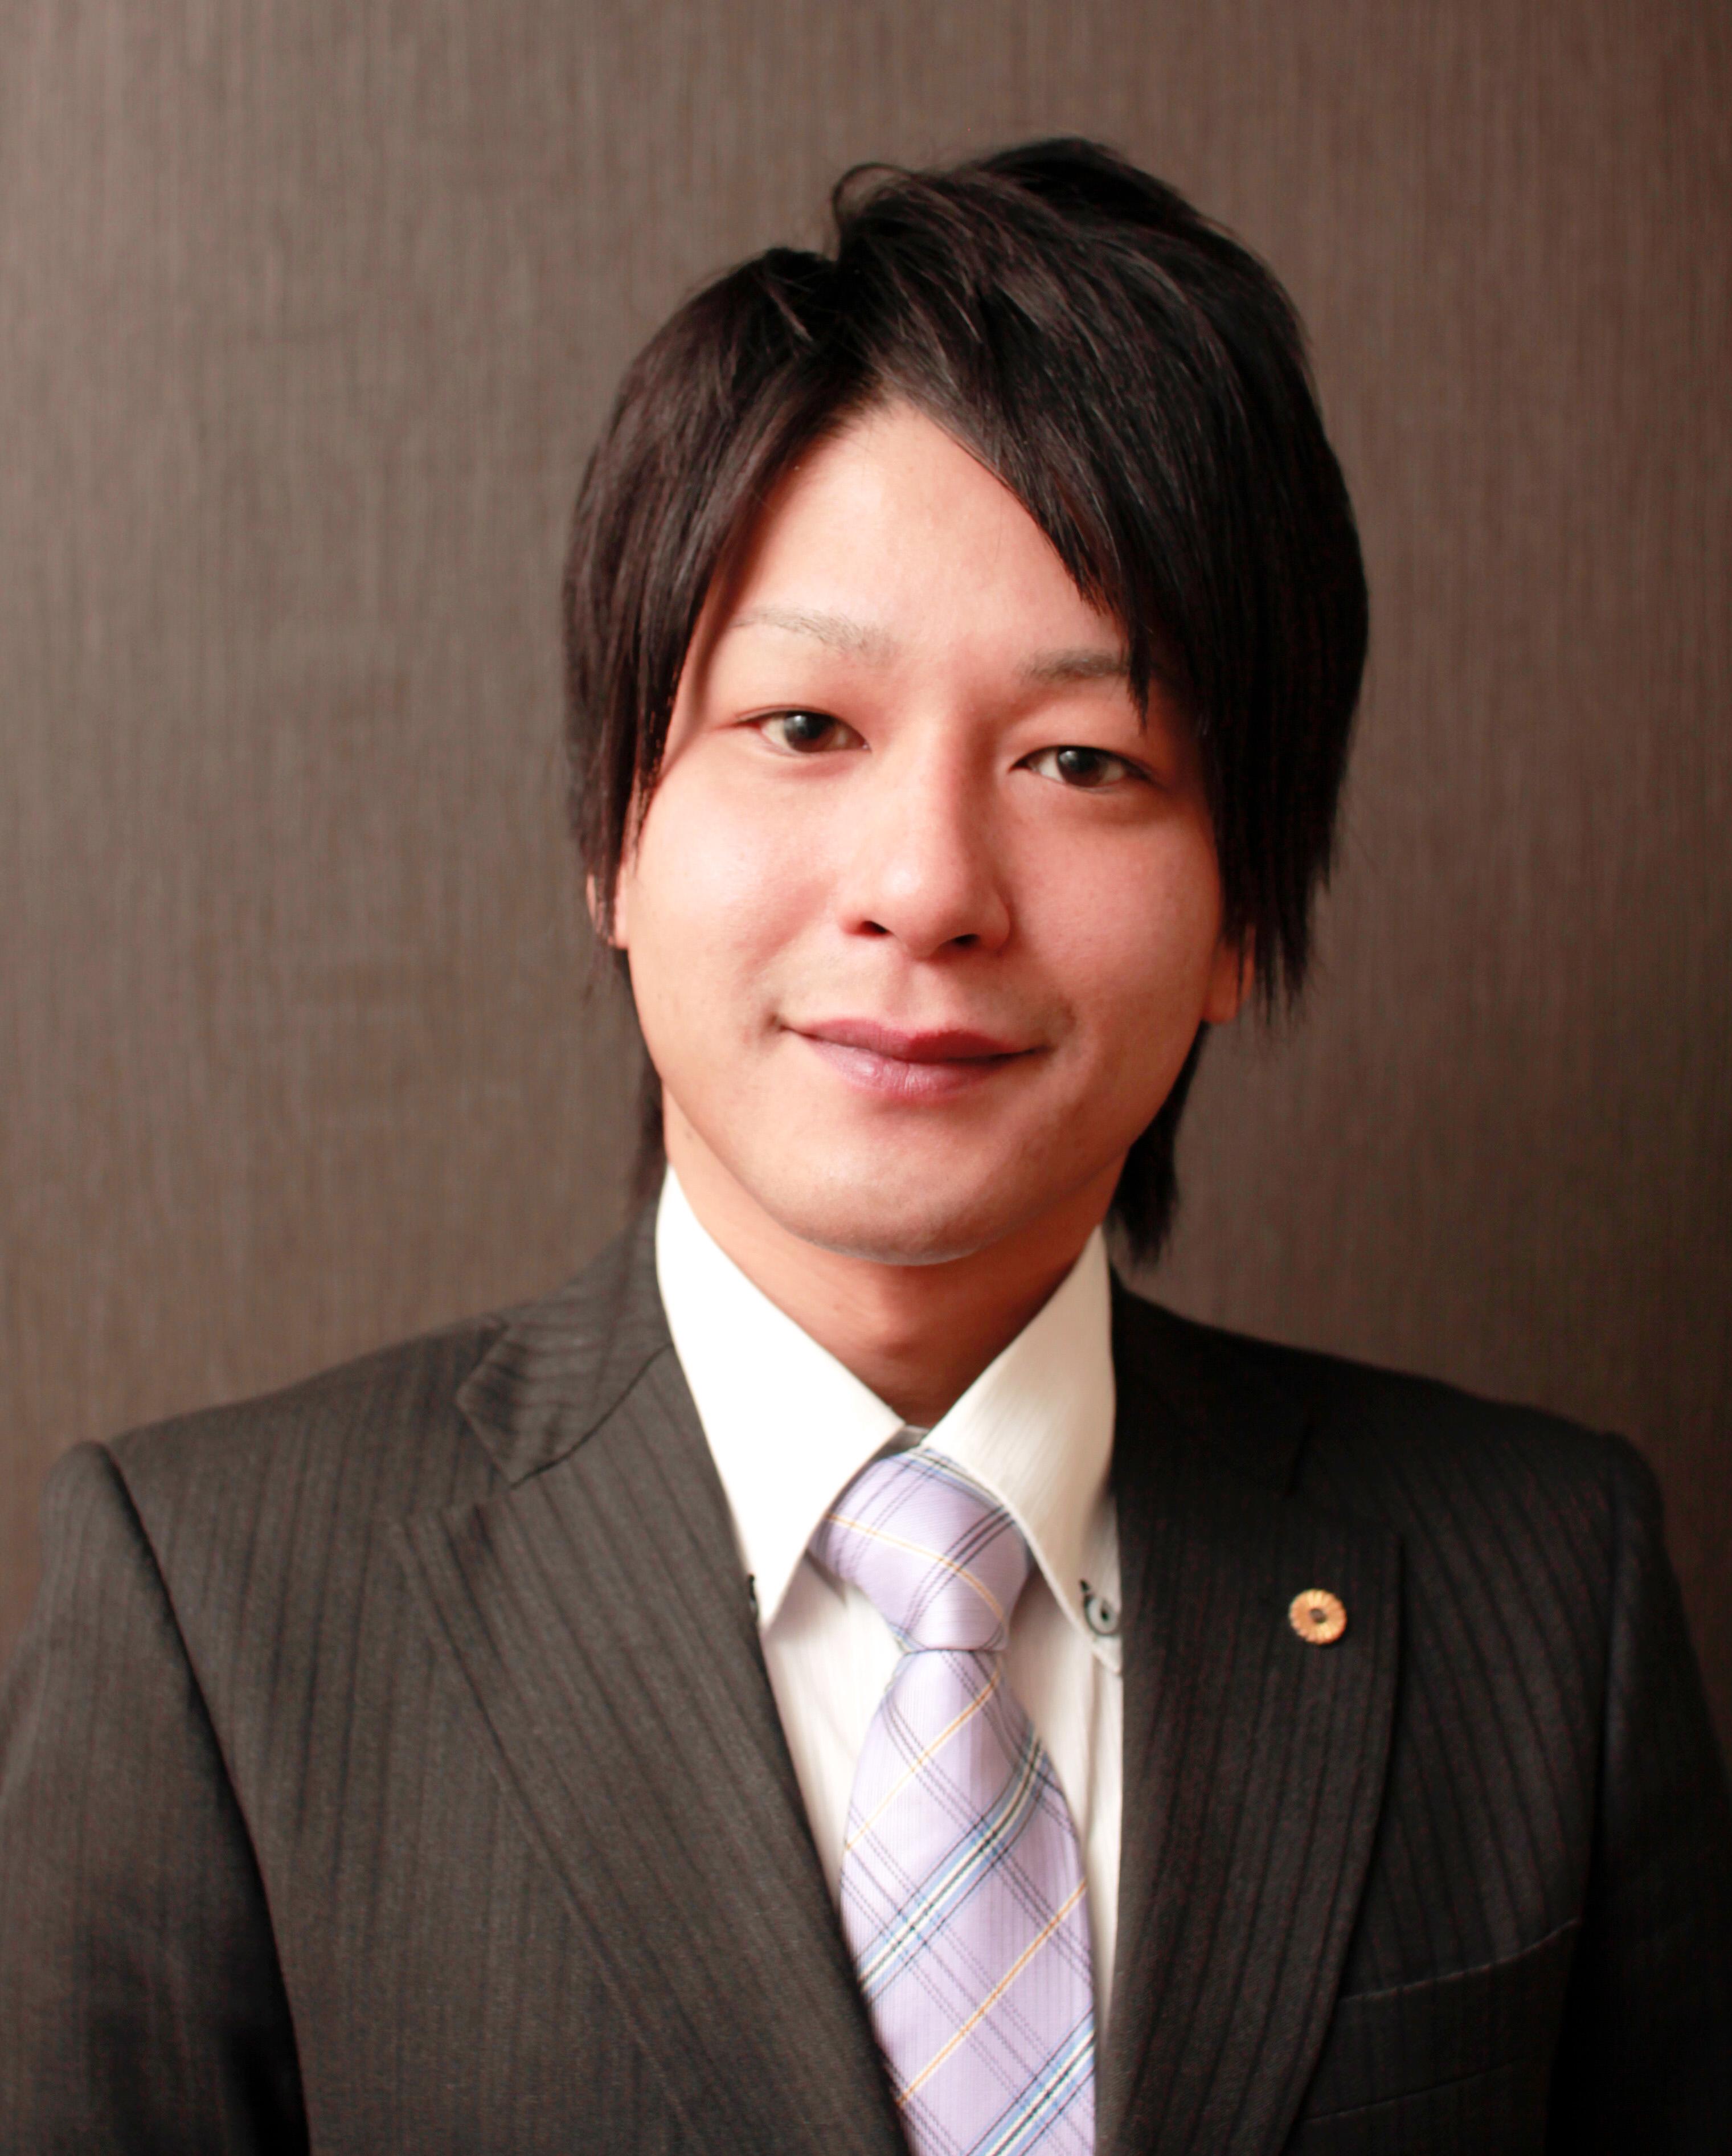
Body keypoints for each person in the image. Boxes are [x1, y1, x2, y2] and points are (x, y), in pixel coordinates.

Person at [1, 138, 1727, 2156]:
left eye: (1079, 758)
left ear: (1242, 913)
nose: (925, 886)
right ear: (612, 830)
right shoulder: (216, 1616)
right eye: (806, 727)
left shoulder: (1540, 1586)